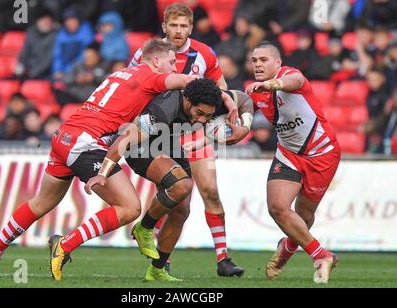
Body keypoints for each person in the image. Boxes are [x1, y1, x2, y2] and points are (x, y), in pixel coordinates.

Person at [0, 39, 197, 280]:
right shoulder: (149, 76)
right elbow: (186, 82)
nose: (175, 67)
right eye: (172, 62)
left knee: (40, 203)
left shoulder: (121, 73)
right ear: (156, 61)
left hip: (65, 135)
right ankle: (65, 244)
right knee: (130, 208)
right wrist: (216, 92)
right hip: (87, 142)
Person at [83, 79, 253, 281]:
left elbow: (245, 99)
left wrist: (245, 126)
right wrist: (103, 173)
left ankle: (157, 269)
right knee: (181, 185)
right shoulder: (163, 110)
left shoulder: (212, 101)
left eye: (208, 116)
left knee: (181, 210)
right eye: (199, 114)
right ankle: (144, 227)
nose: (202, 121)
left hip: (169, 143)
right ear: (187, 100)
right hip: (141, 147)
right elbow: (125, 140)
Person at [128, 3, 244, 276]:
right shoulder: (146, 54)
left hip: (194, 134)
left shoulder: (205, 54)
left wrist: (224, 111)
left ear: (191, 28)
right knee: (176, 198)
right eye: (174, 25)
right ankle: (160, 259)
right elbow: (131, 87)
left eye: (184, 26)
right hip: (160, 135)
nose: (179, 31)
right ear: (164, 27)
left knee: (210, 191)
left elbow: (220, 88)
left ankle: (223, 259)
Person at [246, 42, 341, 284]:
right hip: (288, 153)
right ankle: (322, 255)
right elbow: (240, 112)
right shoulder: (256, 90)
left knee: (304, 216)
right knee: (277, 207)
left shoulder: (287, 76)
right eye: (254, 60)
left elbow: (296, 81)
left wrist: (272, 84)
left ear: (277, 63)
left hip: (322, 154)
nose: (257, 64)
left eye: (263, 60)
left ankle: (285, 251)